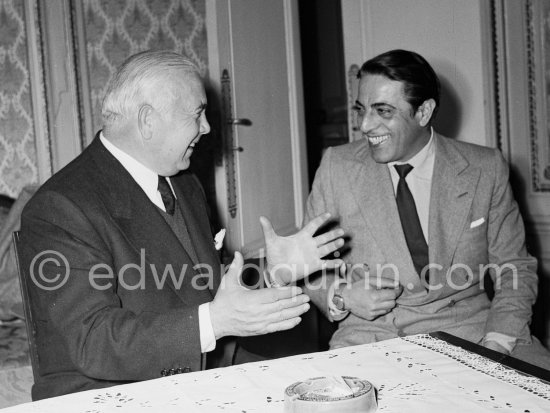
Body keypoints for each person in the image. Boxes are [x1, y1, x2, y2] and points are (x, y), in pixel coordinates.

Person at [19, 50, 344, 400]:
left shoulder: (184, 184)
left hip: (200, 376)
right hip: (108, 394)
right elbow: (93, 341)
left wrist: (271, 273)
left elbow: (197, 287)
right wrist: (215, 323)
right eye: (197, 113)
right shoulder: (62, 206)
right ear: (147, 121)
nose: (207, 128)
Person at [303, 49, 550, 368]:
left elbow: (515, 267)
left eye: (383, 111)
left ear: (424, 112)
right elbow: (309, 269)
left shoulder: (485, 168)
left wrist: (495, 344)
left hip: (473, 334)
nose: (365, 125)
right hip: (370, 338)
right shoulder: (337, 167)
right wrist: (341, 295)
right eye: (361, 110)